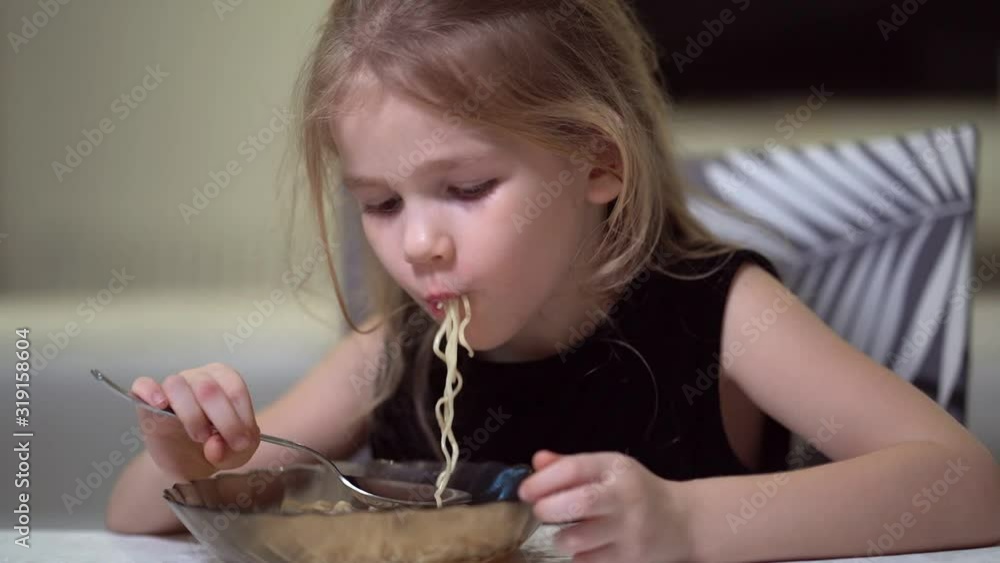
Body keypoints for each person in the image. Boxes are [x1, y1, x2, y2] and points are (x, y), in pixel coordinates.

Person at [105, 1, 1000, 561]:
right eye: (378, 202)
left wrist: (686, 526)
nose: (419, 244)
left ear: (596, 163)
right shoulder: (392, 351)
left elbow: (965, 482)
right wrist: (187, 459)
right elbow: (133, 515)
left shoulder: (722, 313)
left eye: (465, 190)